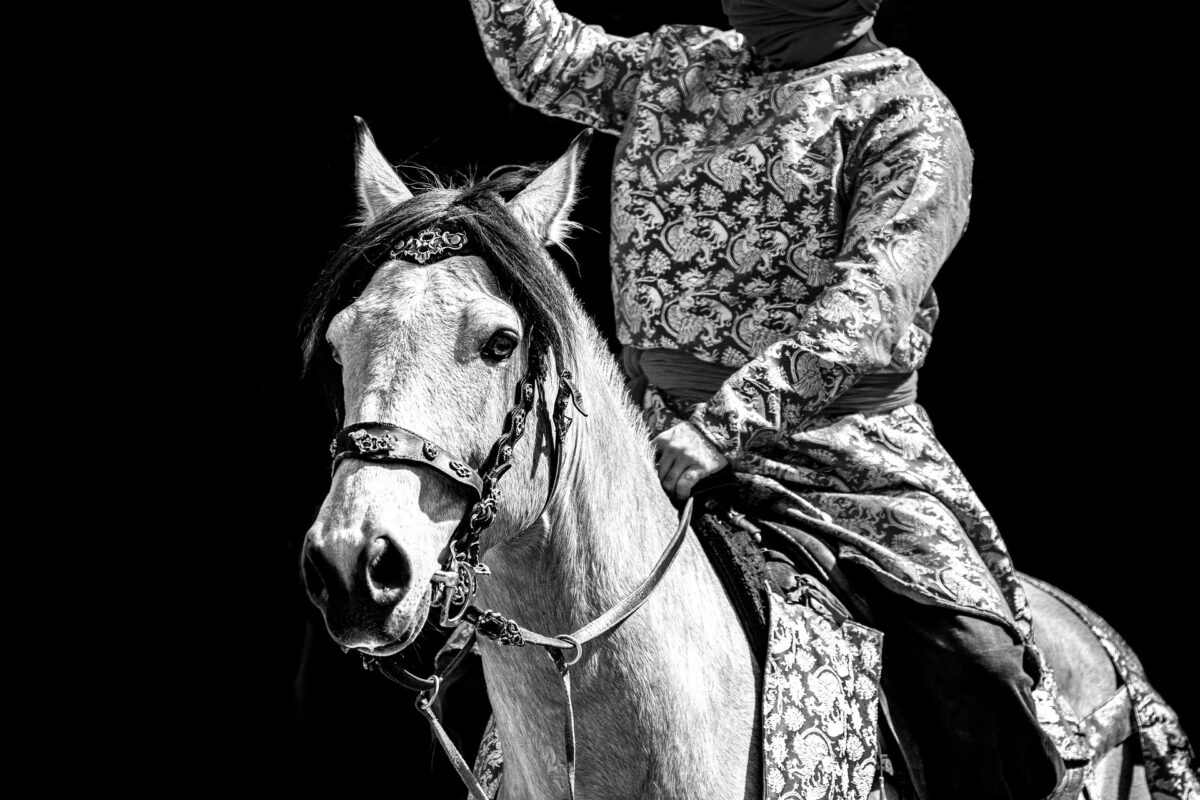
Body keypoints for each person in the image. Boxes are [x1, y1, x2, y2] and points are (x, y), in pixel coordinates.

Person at [468, 1, 1071, 798]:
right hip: (644, 443)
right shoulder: (678, 65)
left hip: (839, 454)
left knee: (978, 668)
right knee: (475, 628)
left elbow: (869, 305)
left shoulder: (904, 114)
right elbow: (536, 56)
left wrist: (725, 426)